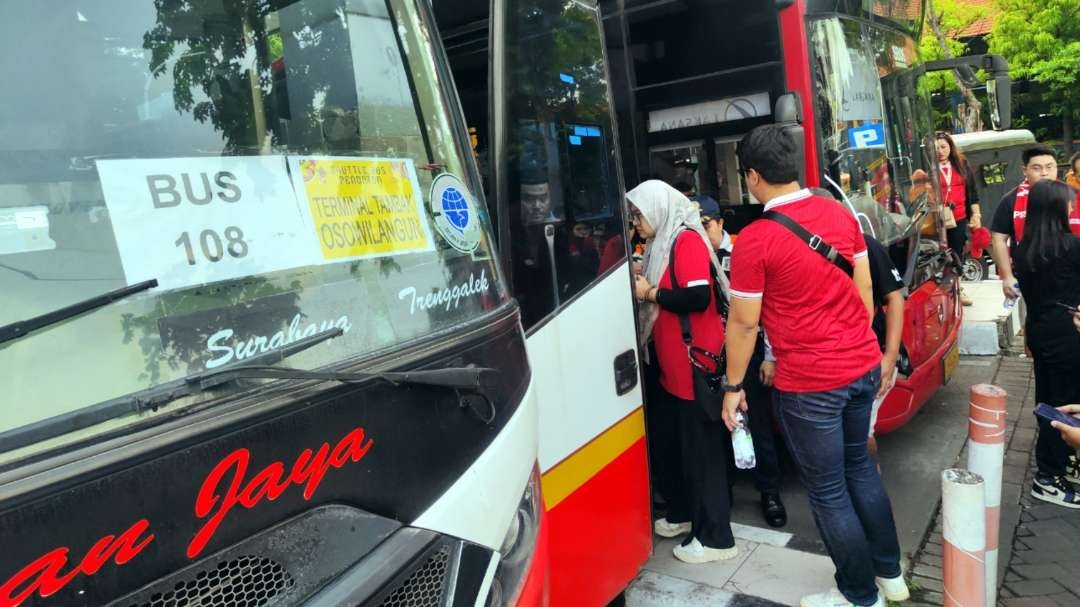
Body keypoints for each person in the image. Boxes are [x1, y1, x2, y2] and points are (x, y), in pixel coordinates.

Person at [722, 125, 906, 607]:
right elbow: (865, 294)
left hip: (811, 383)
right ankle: (892, 575)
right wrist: (849, 341)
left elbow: (743, 326)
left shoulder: (755, 240)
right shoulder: (840, 214)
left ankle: (858, 594)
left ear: (753, 177)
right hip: (862, 366)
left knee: (827, 489)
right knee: (860, 470)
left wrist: (732, 385)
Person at [629, 180, 738, 564]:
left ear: (659, 209)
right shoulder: (662, 244)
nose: (637, 223)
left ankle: (717, 539)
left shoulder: (686, 240)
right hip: (676, 371)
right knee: (686, 451)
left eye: (640, 215)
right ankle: (687, 517)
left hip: (696, 367)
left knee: (703, 456)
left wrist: (650, 294)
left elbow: (697, 296)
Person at [698, 196, 788, 528]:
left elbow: (765, 310)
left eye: (705, 224)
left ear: (720, 222)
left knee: (759, 425)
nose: (701, 231)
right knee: (719, 426)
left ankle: (770, 491)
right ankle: (726, 491)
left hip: (748, 354)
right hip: (713, 355)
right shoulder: (695, 255)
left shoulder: (742, 253)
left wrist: (770, 356)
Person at [810, 188, 905, 455]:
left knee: (861, 439)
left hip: (869, 357)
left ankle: (867, 488)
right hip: (831, 364)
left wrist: (889, 357)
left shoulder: (865, 245)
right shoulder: (800, 251)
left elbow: (895, 299)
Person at [1012, 180, 1080, 507]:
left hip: (1041, 329)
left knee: (1050, 397)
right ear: (1056, 208)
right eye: (1068, 203)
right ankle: (1049, 475)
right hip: (1068, 331)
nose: (1071, 208)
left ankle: (1061, 463)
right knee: (1066, 400)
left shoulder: (1025, 249)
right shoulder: (1072, 247)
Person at [989, 146, 1080, 302]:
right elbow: (998, 238)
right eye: (1037, 168)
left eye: (1050, 167)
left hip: (1071, 274)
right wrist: (1008, 276)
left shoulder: (1073, 195)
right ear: (1025, 170)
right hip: (1031, 275)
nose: (1044, 173)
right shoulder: (1011, 200)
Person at [935, 132, 980, 306]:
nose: (940, 151)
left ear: (950, 147)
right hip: (937, 219)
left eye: (943, 147)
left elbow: (972, 193)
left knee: (957, 253)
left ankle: (958, 289)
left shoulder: (961, 164)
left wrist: (976, 215)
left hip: (959, 217)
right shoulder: (926, 167)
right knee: (938, 255)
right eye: (936, 148)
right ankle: (942, 291)